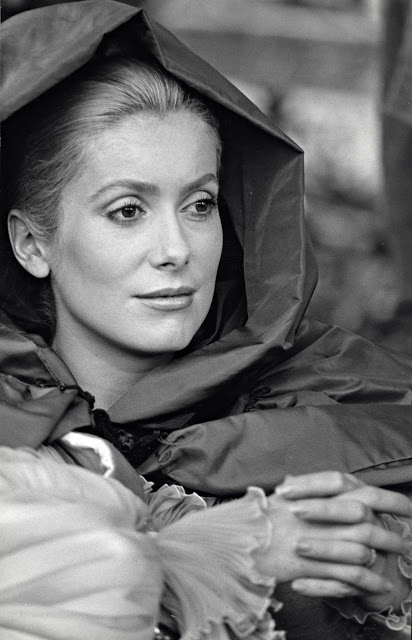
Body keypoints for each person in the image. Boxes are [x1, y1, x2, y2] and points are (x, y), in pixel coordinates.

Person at [0, 1, 411, 638]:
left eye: (199, 204)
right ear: (32, 244)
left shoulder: (335, 396)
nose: (177, 250)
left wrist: (390, 594)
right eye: (128, 210)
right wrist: (223, 556)